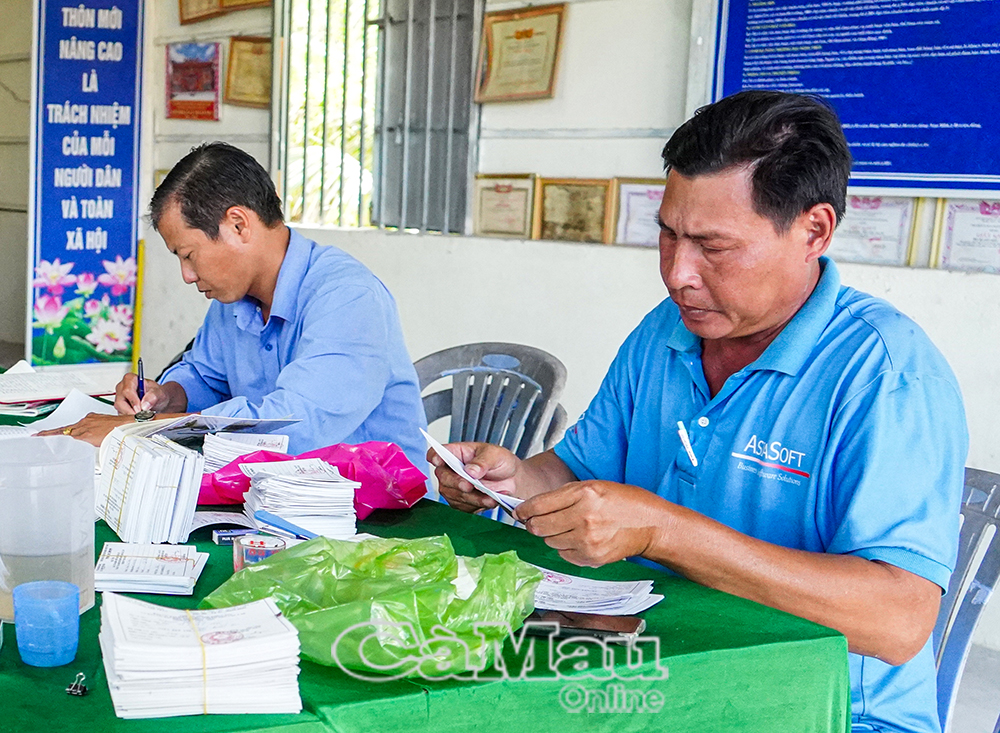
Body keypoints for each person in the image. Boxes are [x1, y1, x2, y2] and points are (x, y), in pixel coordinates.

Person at [432, 91, 967, 733]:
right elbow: (575, 470)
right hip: (663, 672)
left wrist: (665, 532)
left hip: (823, 711)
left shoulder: (885, 376)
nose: (678, 274)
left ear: (814, 231)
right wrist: (513, 479)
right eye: (668, 235)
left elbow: (898, 621)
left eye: (713, 246)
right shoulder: (666, 332)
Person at [52, 142, 428, 469]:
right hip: (273, 494)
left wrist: (145, 428)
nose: (186, 275)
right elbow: (205, 376)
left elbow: (293, 426)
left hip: (375, 507)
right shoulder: (233, 297)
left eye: (188, 255)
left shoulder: (348, 296)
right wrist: (165, 397)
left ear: (238, 225)